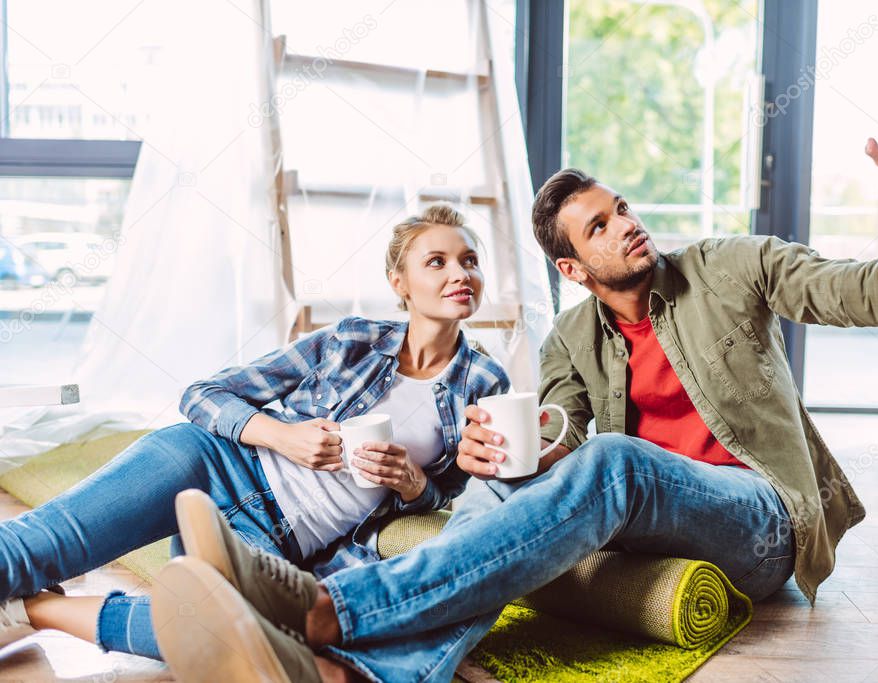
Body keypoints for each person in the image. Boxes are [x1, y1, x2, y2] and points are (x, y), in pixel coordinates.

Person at [94, 65, 878, 683]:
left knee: (616, 465)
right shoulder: (571, 341)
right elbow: (555, 445)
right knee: (492, 502)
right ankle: (345, 672)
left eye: (619, 208)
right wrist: (495, 457)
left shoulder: (730, 266)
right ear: (572, 270)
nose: (625, 225)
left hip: (759, 521)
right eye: (596, 228)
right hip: (649, 525)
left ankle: (330, 608)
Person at [0, 204, 510, 681]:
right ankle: (25, 595)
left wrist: (414, 482)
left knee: (226, 633)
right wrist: (284, 437)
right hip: (208, 464)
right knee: (36, 547)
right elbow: (202, 394)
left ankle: (29, 611)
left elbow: (448, 490)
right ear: (400, 283)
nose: (460, 274)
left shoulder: (485, 381)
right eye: (437, 262)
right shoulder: (351, 339)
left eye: (470, 261)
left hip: (273, 542)